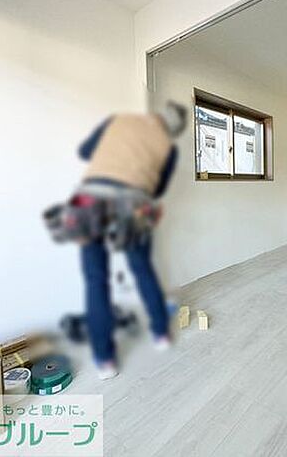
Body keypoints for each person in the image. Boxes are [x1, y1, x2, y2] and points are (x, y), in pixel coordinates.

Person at [77, 101, 186, 379]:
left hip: (89, 199)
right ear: (174, 131)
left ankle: (105, 361)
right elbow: (157, 189)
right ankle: (161, 334)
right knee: (142, 269)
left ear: (157, 115)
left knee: (95, 279)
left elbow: (85, 151)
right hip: (133, 203)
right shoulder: (169, 148)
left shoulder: (118, 120)